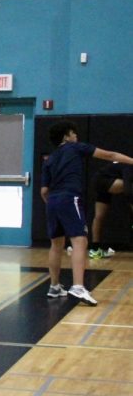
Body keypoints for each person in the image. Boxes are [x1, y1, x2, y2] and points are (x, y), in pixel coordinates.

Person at [41, 121, 133, 306]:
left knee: (56, 244)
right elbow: (110, 155)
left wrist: (53, 203)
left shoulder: (50, 159)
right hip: (70, 197)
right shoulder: (75, 148)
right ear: (67, 136)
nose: (76, 137)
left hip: (52, 201)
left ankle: (54, 286)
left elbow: (44, 191)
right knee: (80, 240)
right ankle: (78, 286)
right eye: (74, 134)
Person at [88, 162, 132, 259]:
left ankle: (95, 250)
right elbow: (128, 190)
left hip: (99, 181)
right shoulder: (129, 166)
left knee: (99, 216)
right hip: (103, 181)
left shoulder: (122, 166)